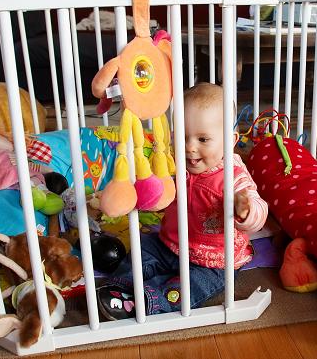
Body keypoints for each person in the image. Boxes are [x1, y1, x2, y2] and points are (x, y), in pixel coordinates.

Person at [96, 83, 268, 319]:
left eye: (203, 139)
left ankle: (147, 300)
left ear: (231, 140)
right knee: (143, 248)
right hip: (169, 244)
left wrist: (246, 210)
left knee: (189, 286)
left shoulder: (234, 175)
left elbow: (259, 210)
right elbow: (159, 191)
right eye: (182, 137)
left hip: (214, 260)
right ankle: (119, 287)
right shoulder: (174, 164)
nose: (189, 147)